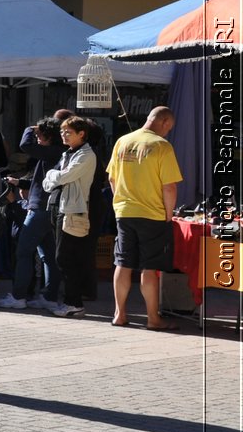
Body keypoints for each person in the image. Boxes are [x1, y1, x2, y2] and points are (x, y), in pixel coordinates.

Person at [106, 106, 182, 331]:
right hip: (153, 214)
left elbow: (111, 178)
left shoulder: (123, 141)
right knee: (149, 268)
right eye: (170, 128)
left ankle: (119, 315)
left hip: (125, 212)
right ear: (165, 122)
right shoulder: (162, 146)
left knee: (123, 263)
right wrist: (168, 214)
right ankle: (153, 319)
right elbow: (169, 187)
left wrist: (120, 202)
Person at [0, 113, 69, 311]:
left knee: (23, 252)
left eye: (41, 134)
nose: (37, 137)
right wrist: (19, 182)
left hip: (39, 210)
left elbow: (25, 146)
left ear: (49, 136)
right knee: (48, 256)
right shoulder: (57, 152)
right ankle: (49, 297)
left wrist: (31, 128)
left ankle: (19, 296)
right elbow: (42, 180)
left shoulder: (52, 151)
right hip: (49, 210)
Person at [42, 116, 99, 319]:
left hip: (73, 210)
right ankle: (70, 301)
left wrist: (53, 176)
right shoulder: (67, 153)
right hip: (58, 207)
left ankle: (74, 303)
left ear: (81, 134)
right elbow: (47, 181)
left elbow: (63, 176)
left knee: (65, 258)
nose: (64, 135)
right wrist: (53, 176)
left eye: (68, 132)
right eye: (62, 132)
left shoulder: (86, 155)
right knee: (62, 257)